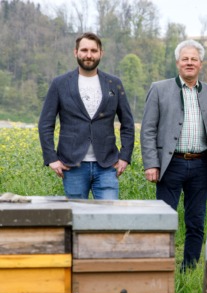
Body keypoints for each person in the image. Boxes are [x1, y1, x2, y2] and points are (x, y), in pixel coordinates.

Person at [141, 39, 207, 271]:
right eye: (185, 59)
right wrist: (151, 163)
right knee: (163, 219)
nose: (189, 63)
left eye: (194, 59)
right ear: (178, 62)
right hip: (170, 165)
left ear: (201, 63)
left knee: (196, 221)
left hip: (201, 166)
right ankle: (161, 265)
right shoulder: (159, 89)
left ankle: (188, 268)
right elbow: (148, 129)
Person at [38, 32, 135, 199]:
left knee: (109, 219)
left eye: (93, 50)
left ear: (101, 53)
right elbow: (45, 124)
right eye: (84, 50)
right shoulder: (60, 84)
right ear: (75, 52)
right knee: (76, 219)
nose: (88, 55)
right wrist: (51, 158)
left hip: (107, 165)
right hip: (72, 165)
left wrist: (125, 157)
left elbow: (127, 123)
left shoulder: (114, 83)